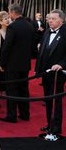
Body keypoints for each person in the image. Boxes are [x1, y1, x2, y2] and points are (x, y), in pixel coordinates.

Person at [35, 9, 66, 140]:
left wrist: (62, 64)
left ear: (61, 20)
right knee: (48, 100)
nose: (50, 21)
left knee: (56, 101)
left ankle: (56, 128)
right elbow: (42, 51)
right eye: (49, 19)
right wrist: (38, 69)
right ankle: (49, 124)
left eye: (53, 19)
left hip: (58, 73)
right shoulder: (47, 31)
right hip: (46, 73)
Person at [0, 3, 33, 123]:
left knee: (12, 90)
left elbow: (7, 47)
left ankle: (12, 116)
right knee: (24, 89)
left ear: (13, 12)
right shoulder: (29, 25)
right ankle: (25, 114)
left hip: (12, 65)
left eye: (9, 12)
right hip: (25, 64)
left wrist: (2, 63)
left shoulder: (12, 27)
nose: (9, 14)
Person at [0, 11, 11, 95]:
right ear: (0, 21)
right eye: (5, 19)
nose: (8, 20)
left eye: (8, 18)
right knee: (0, 78)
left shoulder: (11, 32)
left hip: (10, 59)